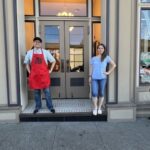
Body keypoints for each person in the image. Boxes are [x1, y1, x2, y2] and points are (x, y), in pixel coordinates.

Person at [24, 37, 56, 114]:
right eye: (35, 42)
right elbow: (26, 63)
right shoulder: (29, 53)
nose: (37, 43)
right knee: (36, 93)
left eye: (39, 42)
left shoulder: (45, 52)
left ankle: (50, 106)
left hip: (44, 76)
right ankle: (37, 106)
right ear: (33, 43)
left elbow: (53, 61)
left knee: (47, 92)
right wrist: (30, 72)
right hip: (34, 76)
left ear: (41, 44)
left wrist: (50, 70)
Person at [89, 43, 116, 115]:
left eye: (102, 48)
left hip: (103, 78)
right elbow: (91, 68)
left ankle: (99, 108)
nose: (100, 49)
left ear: (104, 49)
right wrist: (90, 76)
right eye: (99, 48)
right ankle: (95, 108)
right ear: (97, 49)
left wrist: (108, 72)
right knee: (94, 93)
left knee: (101, 93)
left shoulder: (106, 57)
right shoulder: (93, 58)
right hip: (94, 78)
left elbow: (114, 65)